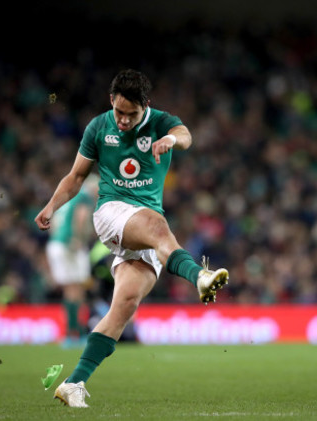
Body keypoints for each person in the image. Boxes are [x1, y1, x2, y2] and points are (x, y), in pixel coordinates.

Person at [34, 69, 229, 408]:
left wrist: (172, 140)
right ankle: (199, 275)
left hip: (142, 230)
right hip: (111, 212)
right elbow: (76, 176)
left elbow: (186, 135)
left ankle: (74, 382)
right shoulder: (98, 127)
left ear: (146, 107)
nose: (123, 120)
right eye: (119, 112)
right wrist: (51, 207)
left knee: (124, 307)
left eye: (131, 114)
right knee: (157, 225)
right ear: (111, 101)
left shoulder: (162, 122)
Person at [45, 173, 98, 348]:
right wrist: (77, 238)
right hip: (70, 245)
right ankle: (76, 333)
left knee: (71, 288)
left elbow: (55, 221)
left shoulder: (71, 197)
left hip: (57, 244)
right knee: (76, 288)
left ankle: (72, 332)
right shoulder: (84, 197)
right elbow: (81, 217)